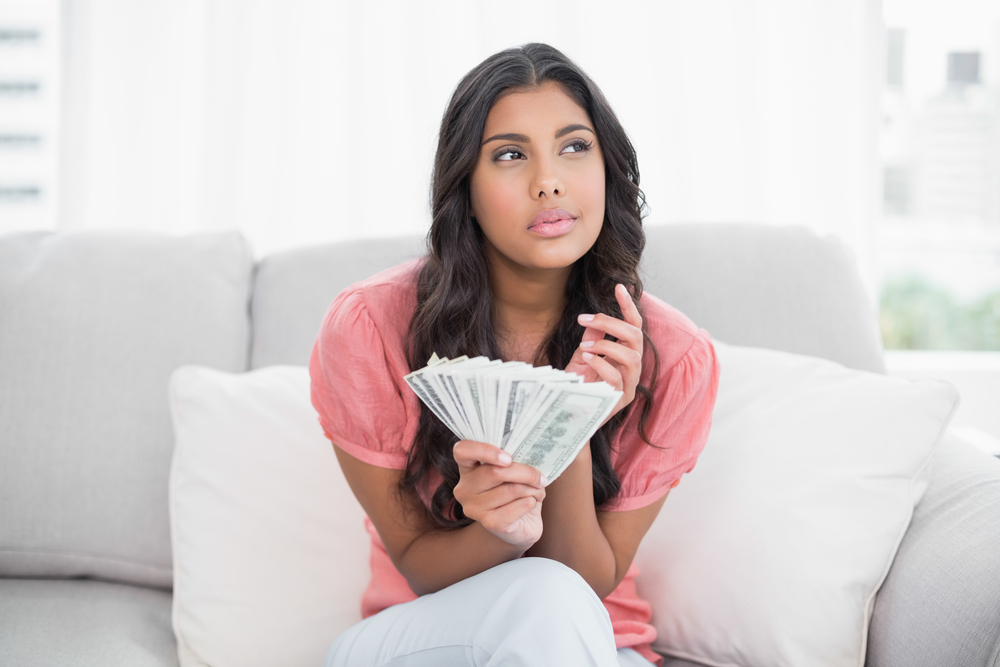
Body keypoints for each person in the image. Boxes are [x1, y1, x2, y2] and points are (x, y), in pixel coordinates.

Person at [310, 43, 720, 667]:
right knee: (542, 598)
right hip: (426, 640)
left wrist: (572, 421)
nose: (548, 180)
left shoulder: (675, 358)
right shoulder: (371, 327)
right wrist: (500, 532)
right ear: (464, 189)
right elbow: (420, 568)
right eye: (509, 155)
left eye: (575, 147)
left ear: (608, 168)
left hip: (596, 647)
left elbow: (583, 581)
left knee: (554, 601)